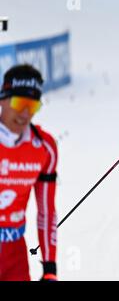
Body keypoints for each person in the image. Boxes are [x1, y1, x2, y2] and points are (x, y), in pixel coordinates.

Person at [0, 64, 58, 281]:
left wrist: (50, 268)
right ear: (3, 100)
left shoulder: (44, 147)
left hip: (14, 254)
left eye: (32, 106)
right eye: (19, 103)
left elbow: (47, 212)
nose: (25, 113)